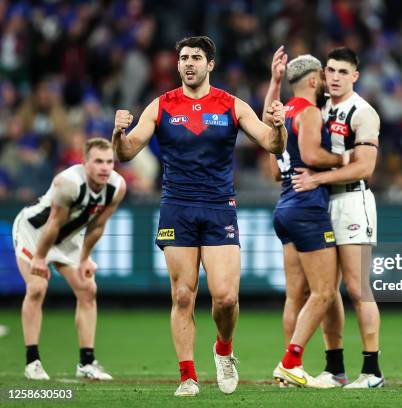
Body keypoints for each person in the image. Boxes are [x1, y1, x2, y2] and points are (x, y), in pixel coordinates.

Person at [111, 36, 287, 397]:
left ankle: (223, 349)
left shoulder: (231, 105)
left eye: (196, 57)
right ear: (177, 65)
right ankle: (188, 376)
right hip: (177, 206)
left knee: (224, 297)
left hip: (219, 205)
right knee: (183, 296)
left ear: (211, 65)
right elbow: (127, 152)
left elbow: (271, 144)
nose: (189, 63)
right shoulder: (160, 106)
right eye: (184, 58)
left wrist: (281, 125)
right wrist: (117, 134)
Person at [292, 47, 382, 388]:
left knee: (358, 288)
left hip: (351, 202)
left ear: (355, 76)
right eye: (330, 70)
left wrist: (317, 178)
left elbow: (365, 166)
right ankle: (335, 369)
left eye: (343, 72)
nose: (334, 76)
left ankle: (372, 370)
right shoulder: (318, 107)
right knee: (325, 290)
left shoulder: (364, 112)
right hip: (321, 204)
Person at [263, 47, 348, 388]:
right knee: (325, 291)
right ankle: (290, 362)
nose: (329, 80)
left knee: (295, 296)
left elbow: (273, 168)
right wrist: (344, 160)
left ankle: (289, 370)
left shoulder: (281, 115)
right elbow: (312, 154)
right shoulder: (309, 113)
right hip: (308, 207)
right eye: (325, 76)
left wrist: (273, 82)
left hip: (284, 205)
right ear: (314, 80)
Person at [12, 137, 125, 381]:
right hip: (34, 234)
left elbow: (97, 225)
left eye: (109, 162)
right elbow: (52, 223)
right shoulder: (68, 183)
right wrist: (40, 258)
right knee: (37, 287)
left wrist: (85, 259)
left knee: (87, 289)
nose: (105, 167)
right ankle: (32, 362)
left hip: (66, 238)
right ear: (85, 163)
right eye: (98, 161)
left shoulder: (117, 186)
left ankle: (86, 363)